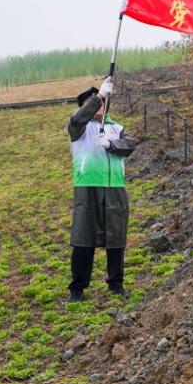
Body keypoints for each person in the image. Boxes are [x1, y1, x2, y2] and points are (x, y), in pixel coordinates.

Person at [67, 76, 135, 301]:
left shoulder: (117, 128)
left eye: (103, 101)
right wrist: (98, 96)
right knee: (83, 238)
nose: (99, 106)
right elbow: (77, 119)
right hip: (88, 188)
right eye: (93, 103)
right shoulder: (79, 128)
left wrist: (111, 144)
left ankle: (116, 283)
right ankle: (77, 288)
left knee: (116, 237)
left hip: (115, 187)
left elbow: (129, 146)